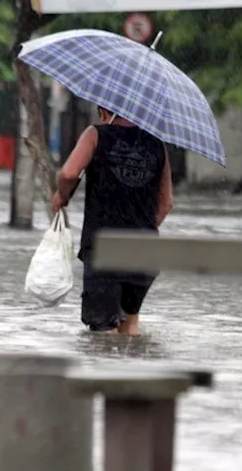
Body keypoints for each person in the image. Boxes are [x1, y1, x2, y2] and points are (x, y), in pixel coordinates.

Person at [52, 106, 173, 336]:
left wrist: (61, 195)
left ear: (104, 110)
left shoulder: (95, 135)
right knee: (130, 330)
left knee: (104, 334)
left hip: (104, 250)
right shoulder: (158, 145)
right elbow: (166, 203)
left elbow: (68, 174)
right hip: (145, 252)